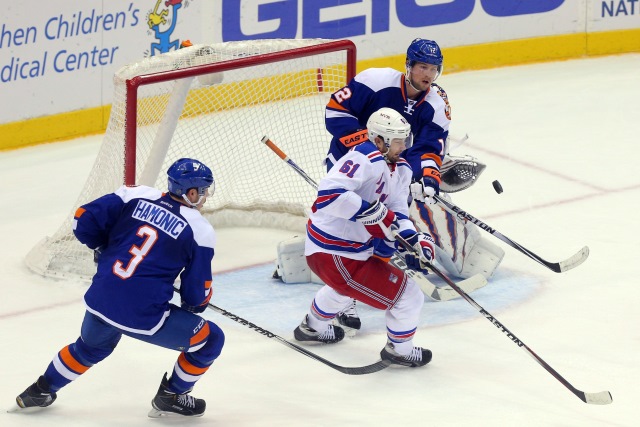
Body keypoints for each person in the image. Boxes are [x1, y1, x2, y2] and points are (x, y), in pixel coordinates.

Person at [13, 158, 225, 418]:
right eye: (202, 191)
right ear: (190, 193)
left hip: (100, 298)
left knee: (90, 348)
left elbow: (82, 220)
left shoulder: (135, 193)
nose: (204, 197)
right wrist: (197, 302)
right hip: (142, 315)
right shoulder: (199, 230)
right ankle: (172, 395)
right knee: (211, 340)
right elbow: (195, 299)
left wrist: (103, 247)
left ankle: (39, 390)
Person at [293, 108, 437, 367]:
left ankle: (312, 327)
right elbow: (328, 195)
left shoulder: (401, 168)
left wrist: (413, 241)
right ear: (379, 139)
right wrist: (368, 210)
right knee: (408, 295)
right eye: (397, 140)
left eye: (405, 139)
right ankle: (400, 350)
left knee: (345, 290)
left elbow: (397, 210)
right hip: (333, 251)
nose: (403, 146)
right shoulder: (364, 157)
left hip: (350, 251)